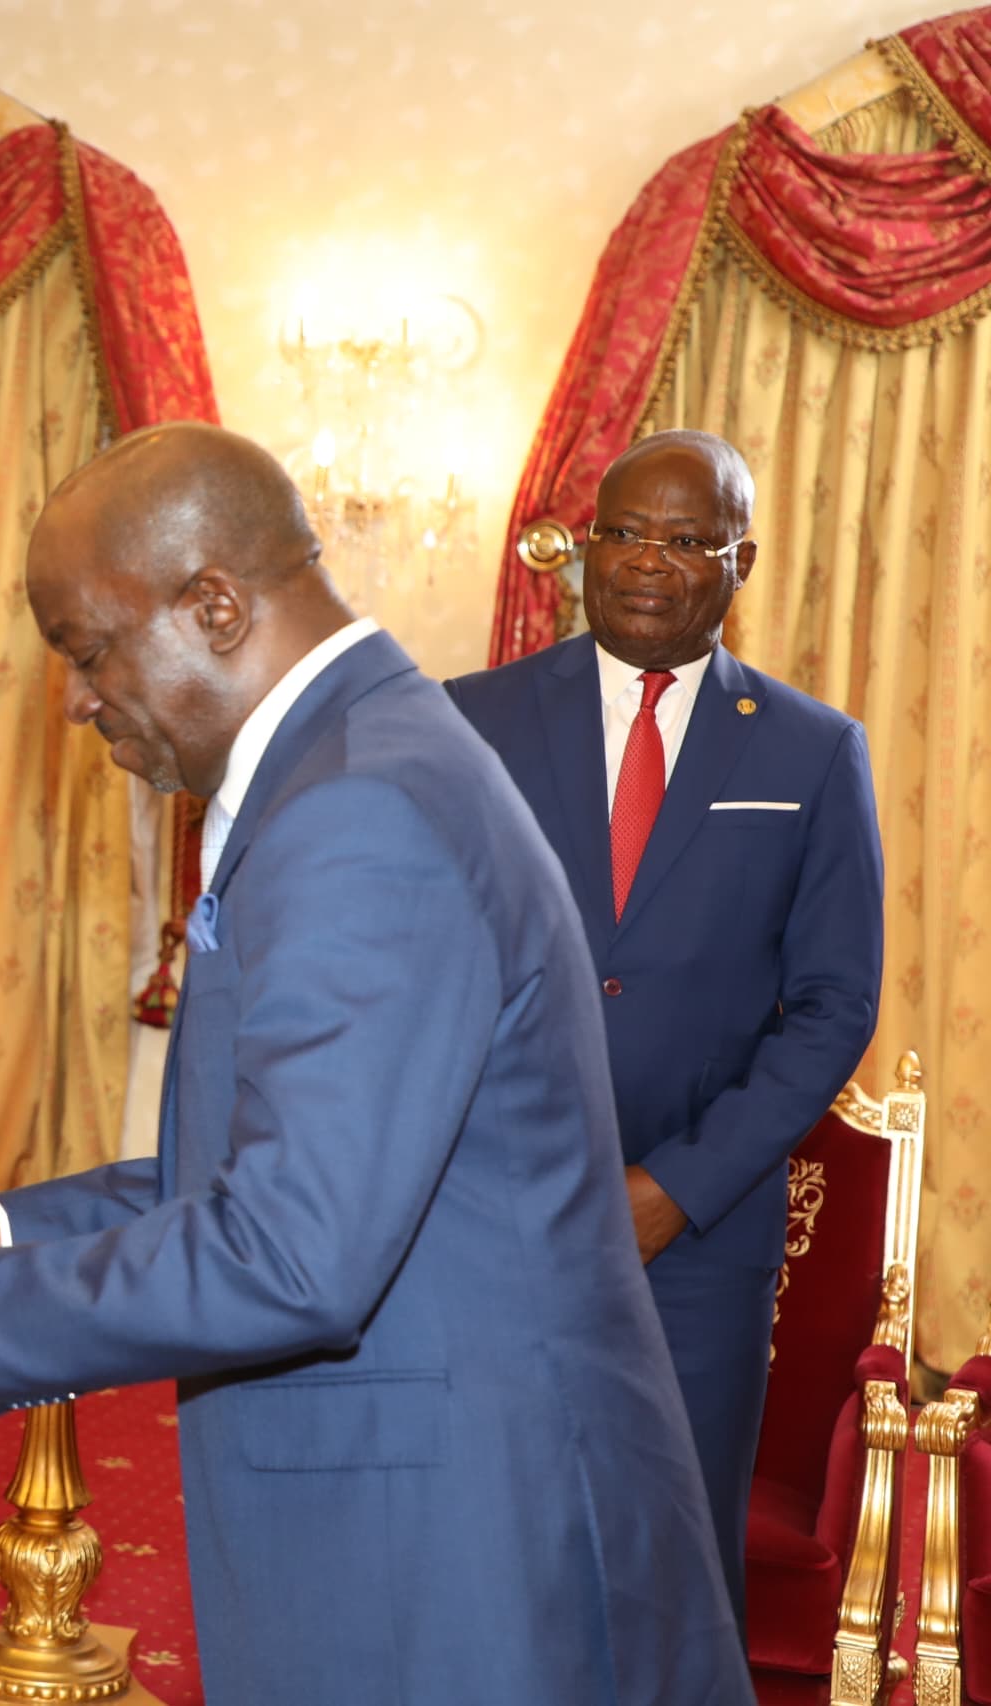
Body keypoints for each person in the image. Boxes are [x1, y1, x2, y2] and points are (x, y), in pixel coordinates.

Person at [0, 423, 748, 1704]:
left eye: (87, 650)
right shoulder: (361, 757)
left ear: (213, 605)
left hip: (455, 1556)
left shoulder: (361, 806)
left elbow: (291, 1251)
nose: (76, 698)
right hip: (437, 1503)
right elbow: (285, 1162)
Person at [446, 429, 884, 1635]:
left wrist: (674, 1189)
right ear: (585, 547)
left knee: (667, 1566)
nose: (647, 560)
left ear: (742, 561)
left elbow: (834, 1004)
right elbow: (418, 957)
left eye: (687, 539)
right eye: (624, 532)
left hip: (695, 1243)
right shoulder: (469, 720)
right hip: (491, 1215)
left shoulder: (808, 748)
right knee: (483, 1539)